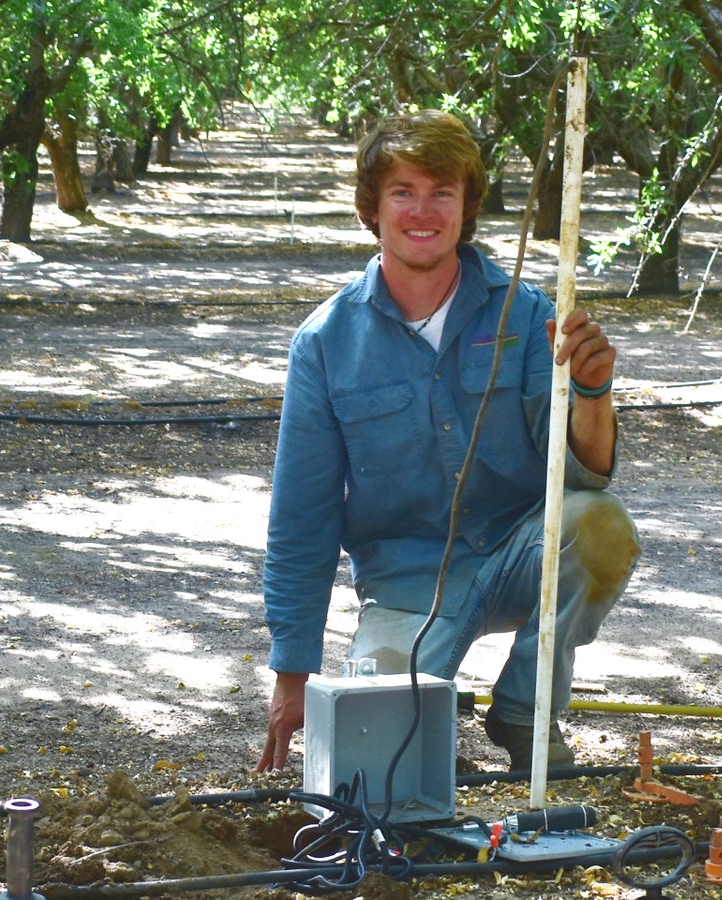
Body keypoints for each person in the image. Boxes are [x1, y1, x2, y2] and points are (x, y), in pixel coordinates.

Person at [253, 109, 641, 773]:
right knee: (373, 764)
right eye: (403, 192)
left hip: (520, 554)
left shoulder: (530, 313)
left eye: (442, 193)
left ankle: (525, 710)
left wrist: (593, 391)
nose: (422, 211)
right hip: (406, 586)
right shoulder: (324, 343)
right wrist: (293, 676)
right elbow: (301, 519)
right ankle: (428, 719)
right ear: (371, 207)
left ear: (468, 206)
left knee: (601, 527)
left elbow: (584, 480)